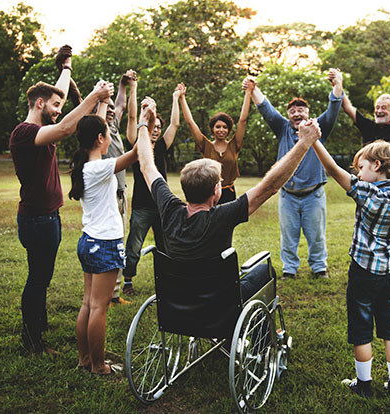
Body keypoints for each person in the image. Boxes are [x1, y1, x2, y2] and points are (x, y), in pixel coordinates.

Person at [136, 96, 324, 298]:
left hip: (178, 300)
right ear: (216, 191)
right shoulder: (222, 216)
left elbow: (147, 165)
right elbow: (269, 187)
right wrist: (304, 143)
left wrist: (144, 123)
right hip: (219, 301)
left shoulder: (169, 209)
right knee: (266, 272)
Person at [10, 47, 113, 355]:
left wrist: (66, 68)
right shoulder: (25, 132)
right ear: (39, 103)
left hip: (48, 217)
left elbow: (61, 100)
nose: (59, 109)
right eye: (54, 106)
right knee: (38, 279)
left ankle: (38, 326)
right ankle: (32, 341)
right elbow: (68, 125)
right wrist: (94, 96)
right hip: (36, 219)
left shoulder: (41, 127)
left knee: (42, 276)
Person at [310, 120, 390, 397]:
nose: (357, 173)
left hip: (363, 272)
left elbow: (332, 169)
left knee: (361, 328)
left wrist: (313, 141)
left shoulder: (365, 192)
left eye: (361, 167)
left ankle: (364, 385)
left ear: (377, 165)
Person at [247, 69, 344, 279]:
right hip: (288, 195)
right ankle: (289, 270)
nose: (297, 113)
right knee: (288, 236)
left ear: (308, 113)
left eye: (301, 109)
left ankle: (319, 268)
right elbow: (266, 108)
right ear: (288, 115)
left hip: (314, 194)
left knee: (316, 235)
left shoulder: (318, 128)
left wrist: (338, 83)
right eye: (292, 111)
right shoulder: (282, 128)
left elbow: (334, 107)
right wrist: (253, 89)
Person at [69, 114, 139, 375]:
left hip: (88, 241)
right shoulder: (100, 167)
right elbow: (136, 154)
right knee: (100, 306)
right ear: (100, 138)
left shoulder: (87, 166)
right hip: (104, 243)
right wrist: (146, 121)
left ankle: (85, 360)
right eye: (108, 133)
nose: (111, 137)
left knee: (88, 303)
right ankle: (99, 366)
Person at [341, 92, 390, 288]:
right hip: (368, 189)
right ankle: (378, 267)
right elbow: (348, 108)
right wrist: (337, 85)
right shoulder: (369, 126)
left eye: (384, 107)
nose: (379, 110)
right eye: (377, 107)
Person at [122, 83, 183, 295]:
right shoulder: (137, 146)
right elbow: (131, 120)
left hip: (162, 206)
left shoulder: (163, 147)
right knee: (134, 247)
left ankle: (166, 280)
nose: (156, 130)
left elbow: (174, 124)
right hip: (141, 207)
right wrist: (138, 102)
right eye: (152, 126)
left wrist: (176, 98)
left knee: (165, 246)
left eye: (158, 127)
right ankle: (128, 281)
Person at [179, 80, 253, 204]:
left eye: (225, 127)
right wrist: (182, 98)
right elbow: (190, 123)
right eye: (218, 127)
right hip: (208, 193)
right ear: (212, 129)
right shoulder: (205, 145)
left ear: (229, 130)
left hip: (229, 193)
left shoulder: (234, 145)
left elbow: (243, 120)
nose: (221, 130)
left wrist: (248, 93)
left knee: (228, 223)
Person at [101, 69, 138, 306]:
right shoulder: (97, 130)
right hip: (108, 195)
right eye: (108, 108)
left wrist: (123, 85)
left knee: (118, 241)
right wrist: (102, 99)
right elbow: (110, 108)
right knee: (111, 241)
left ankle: (113, 294)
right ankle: (107, 294)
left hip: (121, 192)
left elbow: (121, 105)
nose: (113, 111)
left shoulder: (113, 128)